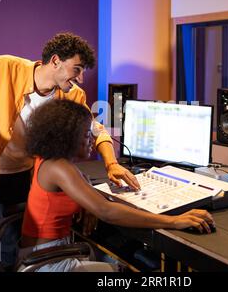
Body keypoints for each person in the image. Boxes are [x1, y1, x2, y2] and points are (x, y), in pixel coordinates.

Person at [0, 32, 140, 271]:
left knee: (9, 250)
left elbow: (95, 128)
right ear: (55, 61)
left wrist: (111, 163)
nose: (81, 78)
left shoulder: (73, 95)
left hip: (19, 176)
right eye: (77, 69)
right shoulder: (3, 68)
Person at [19, 99, 215, 272]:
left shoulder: (51, 160)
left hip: (48, 253)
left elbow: (82, 186)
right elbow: (107, 211)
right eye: (87, 135)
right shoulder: (59, 167)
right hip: (49, 264)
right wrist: (173, 221)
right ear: (68, 137)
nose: (92, 142)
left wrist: (88, 204)